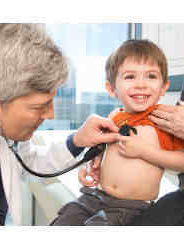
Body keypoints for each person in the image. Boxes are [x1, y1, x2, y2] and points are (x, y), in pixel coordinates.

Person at [0, 23, 119, 226]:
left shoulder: (3, 127)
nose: (50, 114)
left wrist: (78, 140)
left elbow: (30, 163)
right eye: (39, 107)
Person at [50, 39, 184, 226]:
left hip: (129, 207)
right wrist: (93, 164)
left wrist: (145, 152)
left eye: (151, 76)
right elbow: (104, 148)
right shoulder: (114, 115)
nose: (141, 85)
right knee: (63, 220)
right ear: (111, 89)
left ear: (163, 88)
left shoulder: (165, 120)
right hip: (94, 196)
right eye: (130, 77)